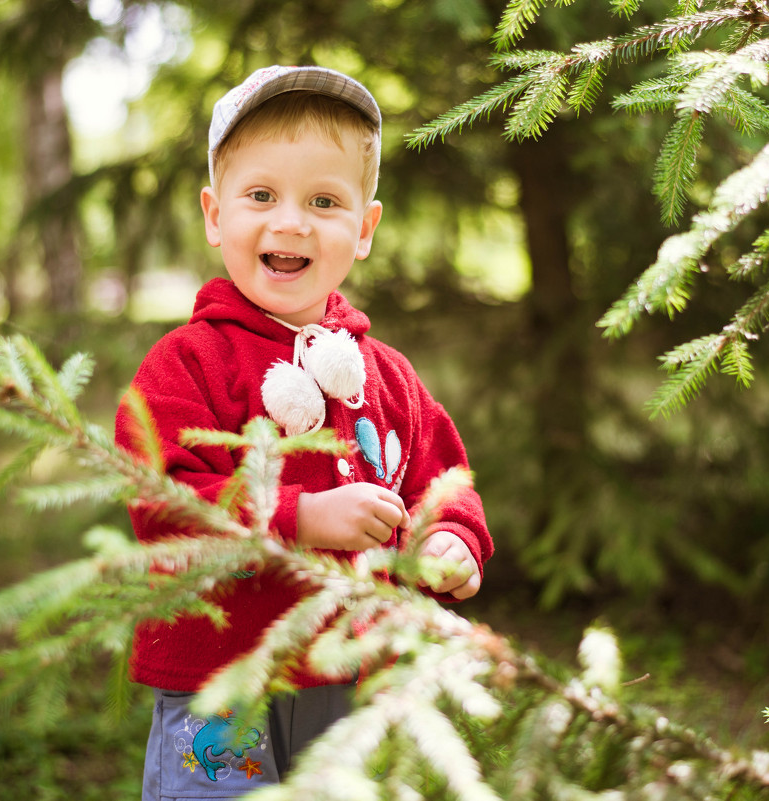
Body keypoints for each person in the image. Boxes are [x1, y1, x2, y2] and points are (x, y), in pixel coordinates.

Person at [114, 65, 494, 800]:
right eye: (261, 195)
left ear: (364, 229)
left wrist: (452, 537)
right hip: (220, 678)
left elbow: (441, 477)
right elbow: (162, 501)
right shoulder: (187, 363)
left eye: (324, 200)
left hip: (354, 672)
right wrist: (300, 517)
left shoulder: (386, 376)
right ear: (215, 213)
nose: (290, 221)